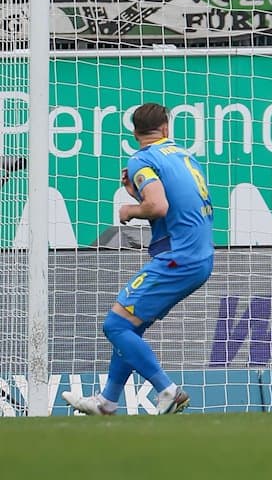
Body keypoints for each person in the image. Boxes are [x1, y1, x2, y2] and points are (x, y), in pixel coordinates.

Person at [62, 102, 214, 415]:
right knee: (131, 327)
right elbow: (171, 200)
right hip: (198, 255)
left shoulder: (142, 160)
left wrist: (129, 209)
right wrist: (137, 193)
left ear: (134, 133)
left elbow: (158, 207)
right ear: (167, 127)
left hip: (177, 258)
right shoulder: (185, 157)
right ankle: (107, 401)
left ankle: (168, 390)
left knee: (115, 325)